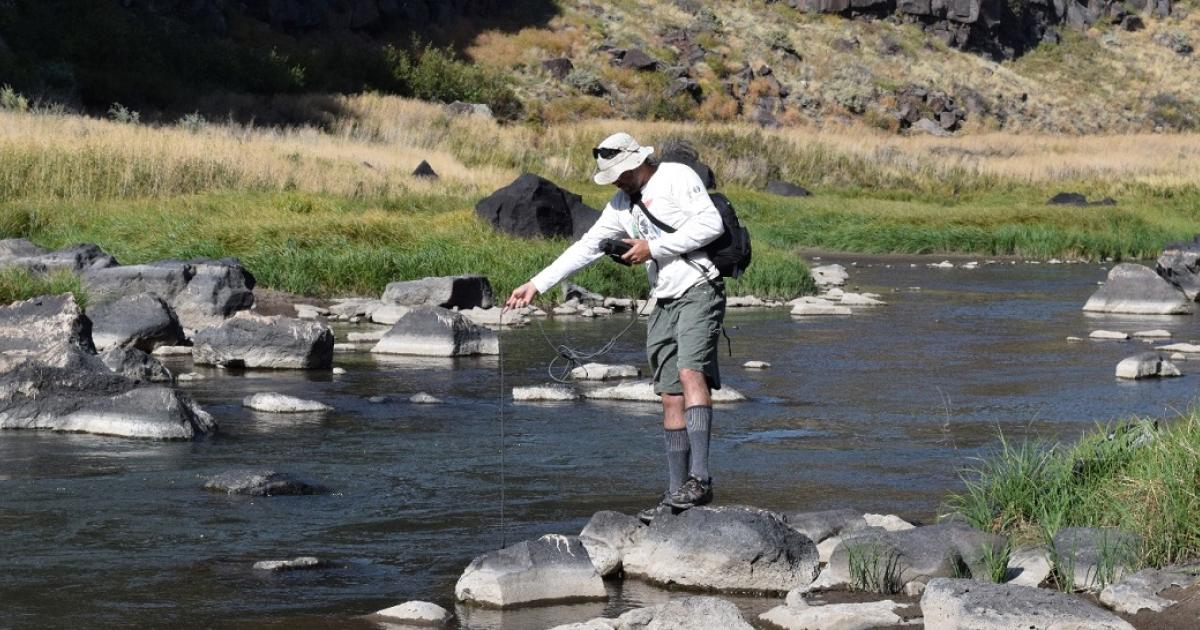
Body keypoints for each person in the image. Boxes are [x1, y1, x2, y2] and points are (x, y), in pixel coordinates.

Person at [504, 132, 726, 522]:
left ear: (639, 161)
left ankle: (701, 480)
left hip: (699, 287)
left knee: (692, 372)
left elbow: (711, 225)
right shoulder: (621, 203)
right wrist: (537, 284)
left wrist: (653, 249)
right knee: (669, 396)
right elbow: (586, 246)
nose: (618, 182)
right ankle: (676, 494)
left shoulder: (676, 177)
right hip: (663, 299)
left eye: (621, 174)